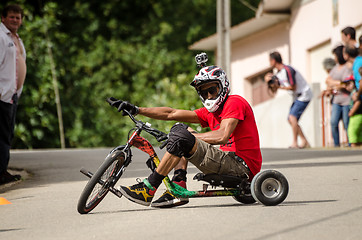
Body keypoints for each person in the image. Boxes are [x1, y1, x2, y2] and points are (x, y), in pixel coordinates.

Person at [113, 64, 262, 208]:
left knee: (182, 136)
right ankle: (178, 185)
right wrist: (136, 109)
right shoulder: (210, 113)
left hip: (242, 167)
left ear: (222, 86)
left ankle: (149, 188)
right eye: (204, 93)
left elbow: (222, 135)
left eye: (212, 90)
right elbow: (171, 113)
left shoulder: (234, 102)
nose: (209, 96)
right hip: (226, 161)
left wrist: (184, 139)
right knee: (179, 128)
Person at [0, 4, 26, 184]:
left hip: (12, 94)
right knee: (2, 135)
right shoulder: (1, 37)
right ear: (3, 18)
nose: (15, 20)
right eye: (12, 17)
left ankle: (3, 169)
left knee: (7, 134)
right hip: (2, 94)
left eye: (18, 17)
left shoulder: (16, 38)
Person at [264, 51, 313, 149]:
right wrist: (269, 81)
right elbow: (274, 88)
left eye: (270, 60)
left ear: (273, 60)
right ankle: (304, 141)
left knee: (292, 118)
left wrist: (279, 87)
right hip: (297, 96)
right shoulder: (279, 73)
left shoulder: (288, 70)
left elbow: (293, 87)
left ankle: (295, 142)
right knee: (290, 119)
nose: (269, 63)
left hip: (303, 94)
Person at [326, 45, 352, 147]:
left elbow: (347, 83)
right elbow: (327, 80)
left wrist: (335, 83)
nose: (335, 58)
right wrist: (338, 83)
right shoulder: (335, 68)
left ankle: (351, 143)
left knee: (346, 123)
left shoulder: (348, 67)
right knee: (333, 122)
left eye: (335, 56)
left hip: (346, 99)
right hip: (336, 100)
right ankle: (336, 145)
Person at [345, 74, 362, 147]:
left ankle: (353, 145)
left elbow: (358, 102)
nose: (347, 86)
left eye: (349, 83)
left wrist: (352, 111)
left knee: (352, 130)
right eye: (346, 84)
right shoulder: (354, 92)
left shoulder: (355, 93)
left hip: (357, 114)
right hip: (357, 114)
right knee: (359, 132)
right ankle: (359, 144)